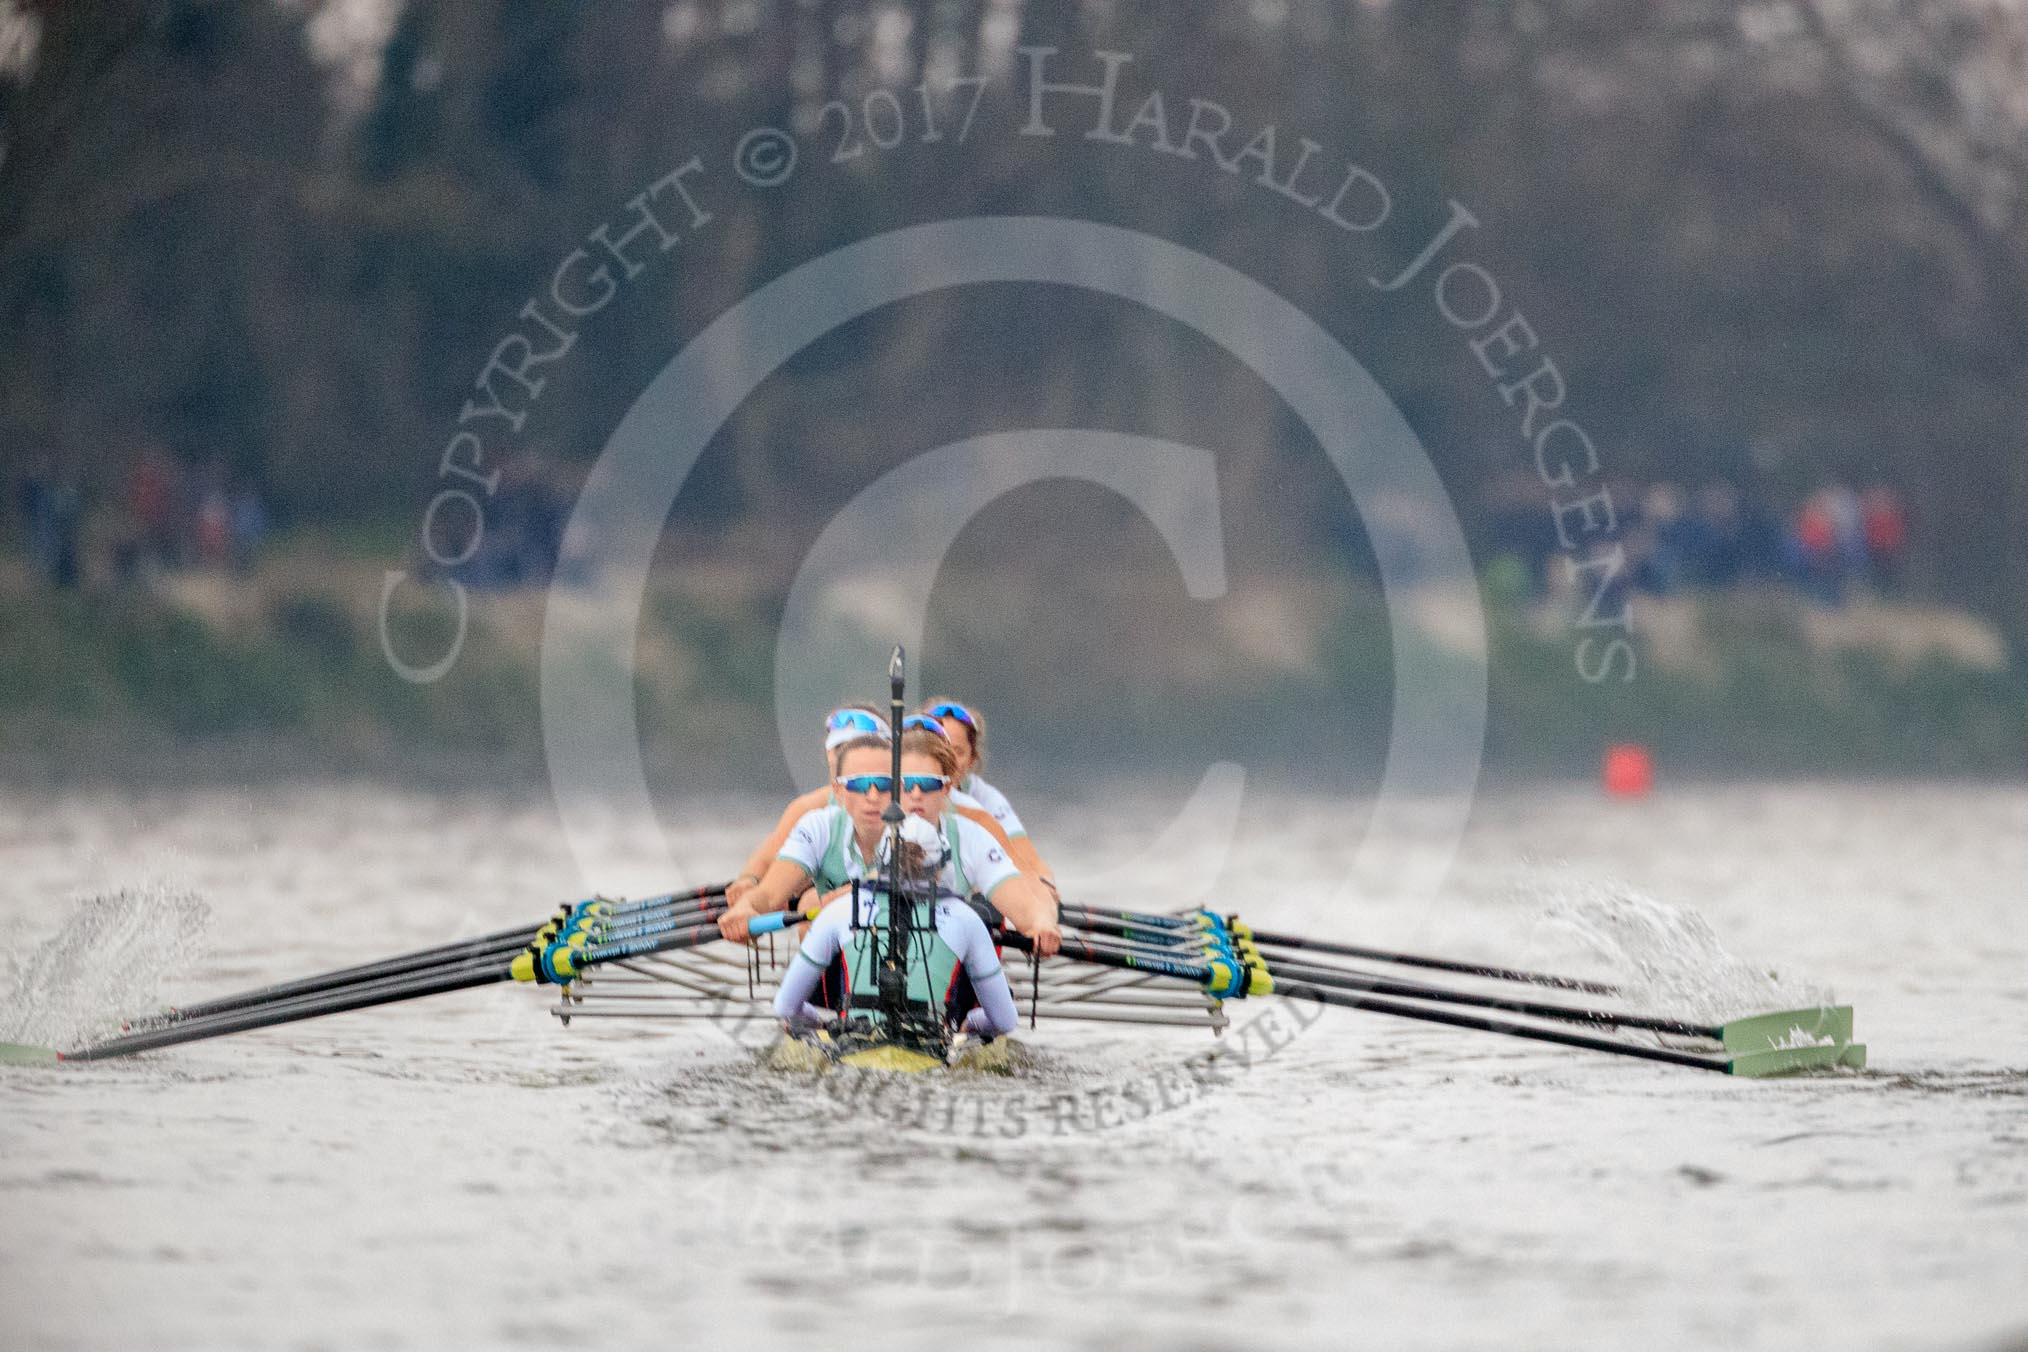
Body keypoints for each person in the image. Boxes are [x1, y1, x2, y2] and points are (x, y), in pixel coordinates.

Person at [718, 726, 1061, 955]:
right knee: (814, 910)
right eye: (897, 784)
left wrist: (1042, 925)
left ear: (945, 787)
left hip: (938, 965)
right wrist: (748, 909)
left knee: (982, 918)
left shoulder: (969, 834)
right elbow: (768, 895)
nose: (912, 796)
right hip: (850, 968)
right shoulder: (820, 825)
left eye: (925, 785)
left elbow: (1027, 903)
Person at [726, 707, 1055, 905]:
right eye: (838, 751)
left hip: (940, 916)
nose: (914, 795)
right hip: (844, 915)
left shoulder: (974, 816)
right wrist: (749, 884)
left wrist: (1040, 906)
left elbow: (1024, 870)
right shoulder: (813, 810)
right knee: (810, 902)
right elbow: (768, 860)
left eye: (926, 783)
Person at [771, 814, 1020, 1041]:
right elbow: (1005, 1021)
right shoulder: (967, 918)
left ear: (880, 863)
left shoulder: (839, 909)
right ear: (941, 868)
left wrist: (820, 1025)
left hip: (857, 1043)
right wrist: (971, 1024)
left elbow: (785, 1007)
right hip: (931, 1044)